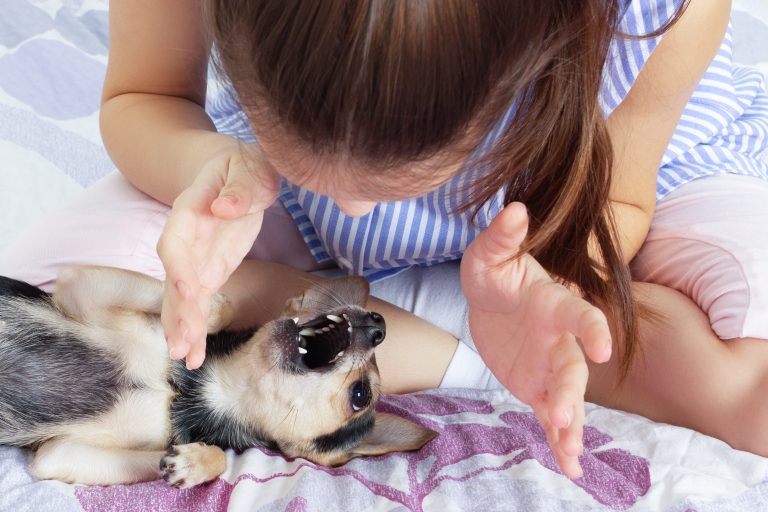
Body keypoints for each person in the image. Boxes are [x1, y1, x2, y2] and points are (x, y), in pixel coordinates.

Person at [3, 0, 767, 481]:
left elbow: (620, 198)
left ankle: (387, 319)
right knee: (42, 317)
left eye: (389, 182)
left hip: (570, 204)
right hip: (268, 199)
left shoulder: (661, 15)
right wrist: (214, 169)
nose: (356, 214)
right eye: (312, 153)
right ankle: (414, 327)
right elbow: (147, 95)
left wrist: (560, 278)